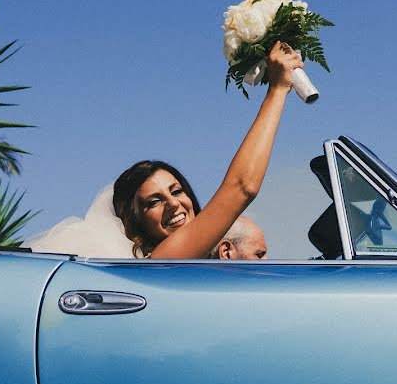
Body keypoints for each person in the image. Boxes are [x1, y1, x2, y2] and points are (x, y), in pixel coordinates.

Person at [110, 40, 301, 259]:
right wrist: (277, 89)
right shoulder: (162, 260)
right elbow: (241, 188)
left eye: (177, 191)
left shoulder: (190, 261)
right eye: (154, 202)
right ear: (137, 224)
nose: (173, 203)